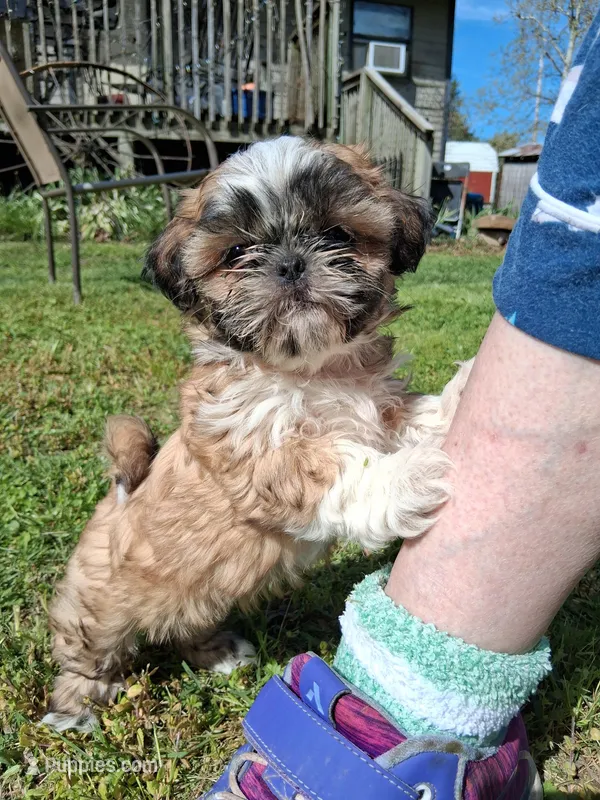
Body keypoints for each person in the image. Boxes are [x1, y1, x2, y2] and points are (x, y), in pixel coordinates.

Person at [202, 12, 600, 799]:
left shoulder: (354, 358)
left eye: (341, 241)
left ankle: (420, 712)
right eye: (242, 256)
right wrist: (371, 485)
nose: (290, 269)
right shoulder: (235, 410)